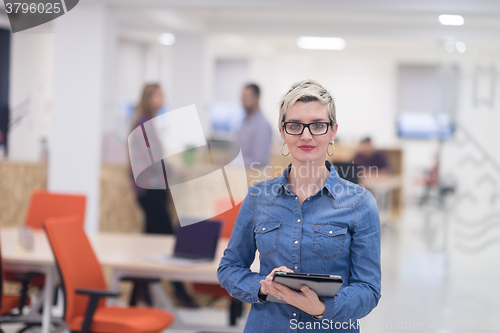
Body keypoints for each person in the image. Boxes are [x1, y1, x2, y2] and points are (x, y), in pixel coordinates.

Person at [218, 79, 381, 332]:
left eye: (317, 125)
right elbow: (229, 268)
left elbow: (368, 289)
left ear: (332, 131)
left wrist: (321, 308)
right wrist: (262, 287)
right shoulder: (258, 197)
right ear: (283, 132)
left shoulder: (360, 203)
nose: (306, 135)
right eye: (295, 126)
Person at [129, 83, 197, 308]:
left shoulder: (148, 123)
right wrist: (174, 170)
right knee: (169, 239)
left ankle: (141, 292)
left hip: (154, 188)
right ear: (149, 97)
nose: (162, 98)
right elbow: (152, 160)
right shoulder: (144, 124)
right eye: (159, 94)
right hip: (150, 190)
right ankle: (179, 292)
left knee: (150, 241)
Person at [236, 83, 273, 168]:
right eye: (242, 97)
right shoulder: (243, 122)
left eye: (246, 97)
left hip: (253, 177)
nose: (243, 101)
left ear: (257, 98)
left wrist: (235, 164)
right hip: (238, 175)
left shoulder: (263, 126)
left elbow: (259, 161)